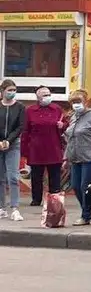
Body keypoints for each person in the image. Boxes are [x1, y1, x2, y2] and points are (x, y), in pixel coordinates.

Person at [64, 90, 91, 226]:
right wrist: (65, 158)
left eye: (78, 102)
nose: (76, 105)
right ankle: (87, 211)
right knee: (76, 186)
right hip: (75, 158)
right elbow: (70, 138)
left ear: (85, 102)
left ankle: (86, 214)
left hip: (90, 157)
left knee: (85, 186)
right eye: (73, 102)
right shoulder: (73, 117)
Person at [21, 86, 64, 207]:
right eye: (44, 95)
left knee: (54, 175)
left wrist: (63, 125)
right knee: (36, 176)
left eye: (48, 94)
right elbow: (25, 131)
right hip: (36, 148)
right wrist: (24, 151)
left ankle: (54, 198)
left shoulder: (57, 109)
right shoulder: (30, 110)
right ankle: (36, 199)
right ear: (38, 97)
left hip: (53, 147)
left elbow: (65, 125)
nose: (47, 97)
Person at [0, 79, 25, 221]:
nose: (12, 93)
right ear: (2, 91)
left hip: (13, 144)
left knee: (13, 176)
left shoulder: (20, 107)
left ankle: (15, 208)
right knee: (0, 177)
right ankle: (1, 208)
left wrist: (8, 141)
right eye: (9, 90)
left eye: (14, 90)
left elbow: (21, 126)